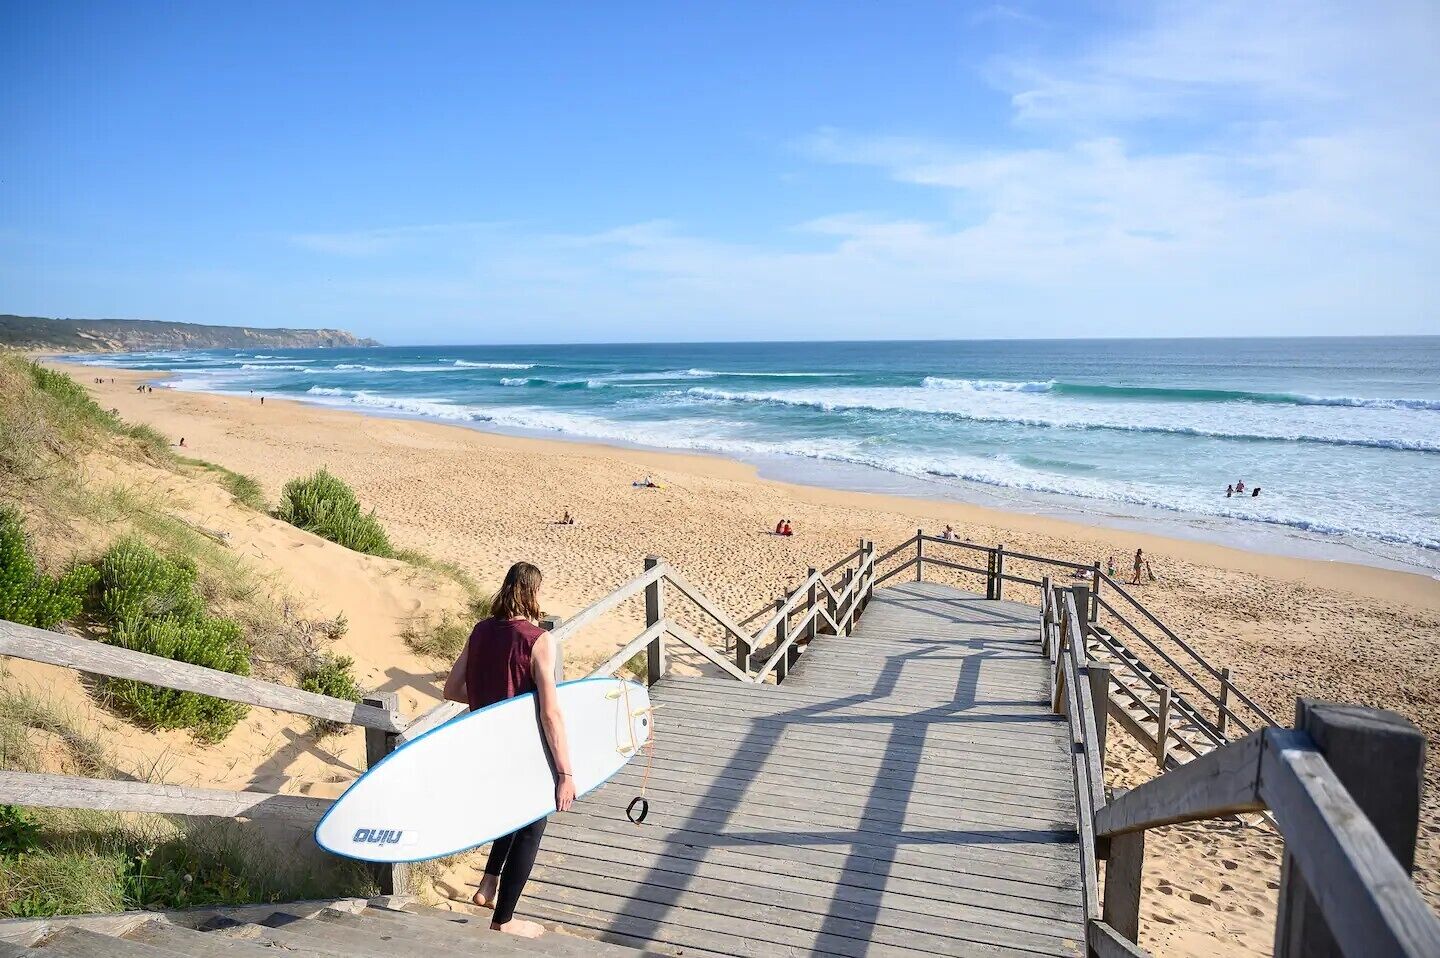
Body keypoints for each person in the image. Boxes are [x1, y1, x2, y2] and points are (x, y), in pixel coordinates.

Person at [441, 563, 574, 939]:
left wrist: (490, 702)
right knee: (532, 825)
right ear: (532, 593)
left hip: (487, 745)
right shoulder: (537, 639)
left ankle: (487, 885)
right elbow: (550, 713)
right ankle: (505, 919)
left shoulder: (480, 631)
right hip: (523, 748)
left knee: (510, 814)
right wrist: (565, 773)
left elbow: (451, 690)